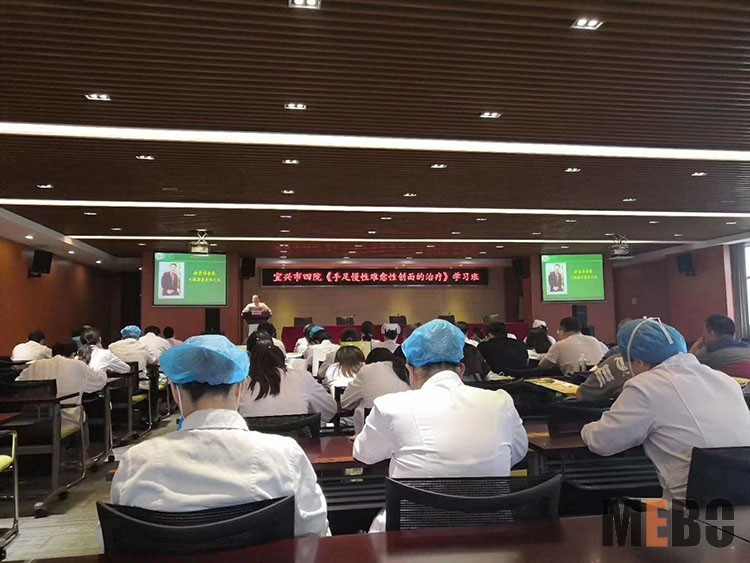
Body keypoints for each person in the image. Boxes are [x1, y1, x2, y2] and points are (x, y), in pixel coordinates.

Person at [111, 335, 328, 537]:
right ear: (241, 387)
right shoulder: (285, 455)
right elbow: (314, 534)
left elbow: (113, 541)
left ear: (175, 392)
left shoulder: (137, 461)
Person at [353, 319, 528, 532]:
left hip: (413, 539)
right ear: (461, 369)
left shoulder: (390, 406)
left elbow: (364, 454)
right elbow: (517, 453)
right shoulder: (501, 401)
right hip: (492, 536)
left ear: (411, 371)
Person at [581, 318, 750, 500]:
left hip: (694, 506)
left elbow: (602, 442)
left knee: (616, 509)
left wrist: (586, 429)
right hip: (743, 496)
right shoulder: (724, 379)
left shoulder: (646, 385)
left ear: (639, 361)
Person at [17, 339, 107, 435]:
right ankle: (82, 444)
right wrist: (100, 370)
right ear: (74, 354)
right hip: (66, 421)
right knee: (82, 415)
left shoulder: (36, 365)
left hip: (34, 421)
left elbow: (17, 384)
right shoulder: (78, 365)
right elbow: (100, 381)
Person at [240, 341, 337, 421]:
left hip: (252, 438)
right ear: (283, 362)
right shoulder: (302, 378)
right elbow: (330, 410)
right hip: (298, 438)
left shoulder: (239, 384)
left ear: (250, 363)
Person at [341, 348, 409, 433]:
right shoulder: (410, 373)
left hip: (372, 432)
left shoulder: (368, 370)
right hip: (406, 430)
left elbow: (345, 402)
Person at [538, 317, 608, 375]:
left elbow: (542, 366)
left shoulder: (559, 345)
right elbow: (608, 354)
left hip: (577, 382)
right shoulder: (595, 341)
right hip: (602, 380)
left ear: (561, 331)